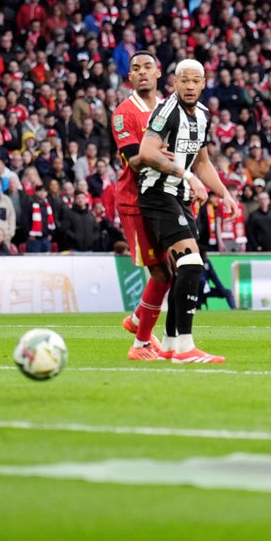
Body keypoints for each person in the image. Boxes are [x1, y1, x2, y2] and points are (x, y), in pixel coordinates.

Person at [137, 59, 238, 364]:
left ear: (204, 83)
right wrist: (188, 176)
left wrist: (225, 194)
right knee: (192, 264)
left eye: (196, 81)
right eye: (184, 81)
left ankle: (169, 344)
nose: (190, 86)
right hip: (158, 194)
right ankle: (185, 347)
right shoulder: (166, 111)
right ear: (175, 82)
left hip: (181, 200)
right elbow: (146, 152)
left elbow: (203, 162)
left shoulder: (205, 115)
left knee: (186, 268)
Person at [113, 51, 172, 360]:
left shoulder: (168, 109)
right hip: (135, 200)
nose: (142, 72)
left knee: (172, 270)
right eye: (136, 68)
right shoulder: (125, 113)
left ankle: (137, 319)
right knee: (161, 273)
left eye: (148, 66)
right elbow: (134, 161)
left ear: (159, 72)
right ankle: (140, 343)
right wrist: (163, 158)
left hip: (165, 197)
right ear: (130, 78)